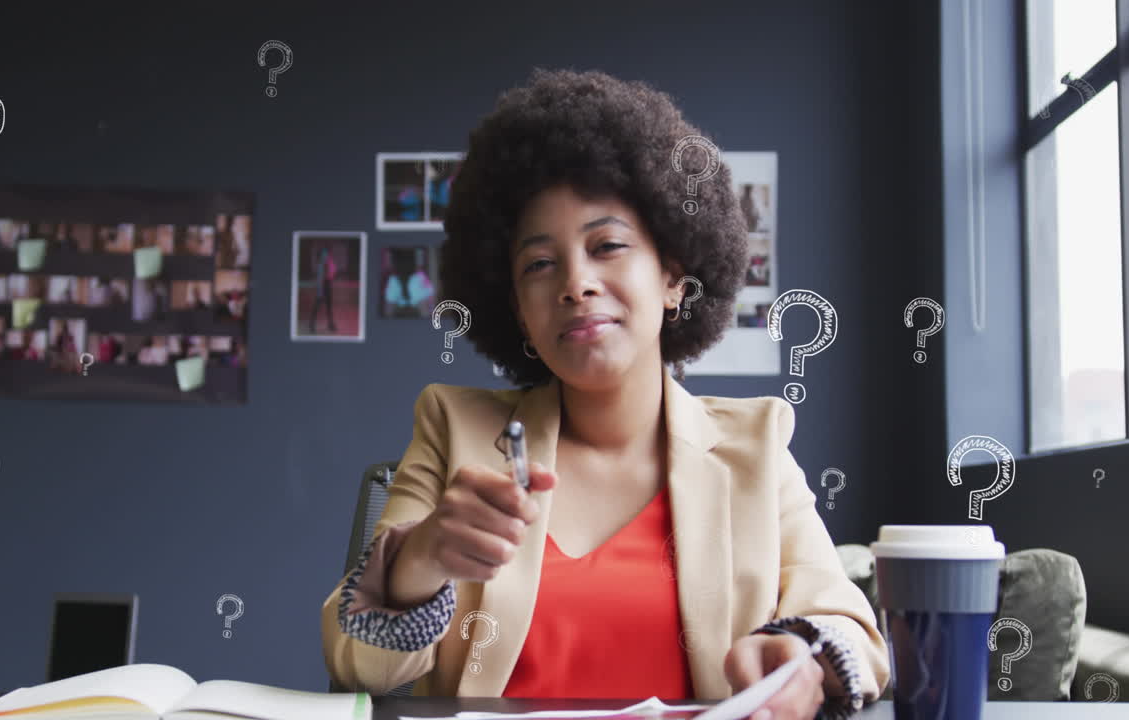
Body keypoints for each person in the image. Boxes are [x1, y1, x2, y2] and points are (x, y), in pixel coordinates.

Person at [321, 69, 889, 718]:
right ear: (518, 310)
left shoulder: (753, 446)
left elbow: (848, 627)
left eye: (608, 246)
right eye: (540, 263)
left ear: (673, 277)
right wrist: (419, 561)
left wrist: (803, 659)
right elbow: (351, 659)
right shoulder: (454, 428)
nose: (576, 283)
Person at [308, 245, 338, 332]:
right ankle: (312, 324)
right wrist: (319, 292)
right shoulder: (321, 264)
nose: (326, 255)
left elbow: (332, 272)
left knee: (328, 306)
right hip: (323, 285)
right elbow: (320, 278)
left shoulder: (328, 260)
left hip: (327, 285)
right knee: (318, 305)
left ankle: (330, 324)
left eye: (327, 253)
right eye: (324, 254)